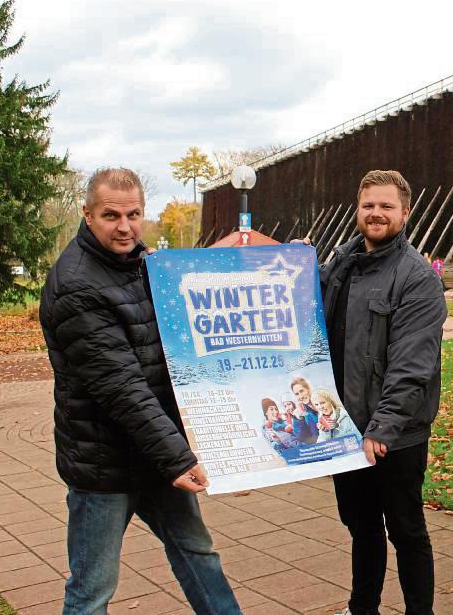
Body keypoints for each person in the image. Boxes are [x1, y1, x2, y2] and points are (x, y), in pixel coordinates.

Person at [39, 167, 240, 615]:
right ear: (87, 214)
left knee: (199, 556)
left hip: (156, 455)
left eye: (134, 214)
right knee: (92, 589)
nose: (125, 226)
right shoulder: (76, 285)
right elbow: (123, 388)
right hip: (105, 465)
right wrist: (178, 457)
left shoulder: (139, 264)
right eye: (111, 215)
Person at [313, 170, 447, 615]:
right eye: (369, 205)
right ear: (358, 209)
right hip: (346, 429)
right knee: (361, 528)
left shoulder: (416, 277)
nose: (376, 214)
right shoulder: (339, 267)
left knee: (406, 529)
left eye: (386, 206)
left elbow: (413, 366)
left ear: (405, 213)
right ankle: (362, 607)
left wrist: (382, 430)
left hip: (397, 435)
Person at [290, 377, 320, 444]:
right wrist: (299, 419)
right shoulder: (300, 412)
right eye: (297, 394)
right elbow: (301, 437)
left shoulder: (321, 401)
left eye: (301, 391)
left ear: (308, 389)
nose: (300, 396)